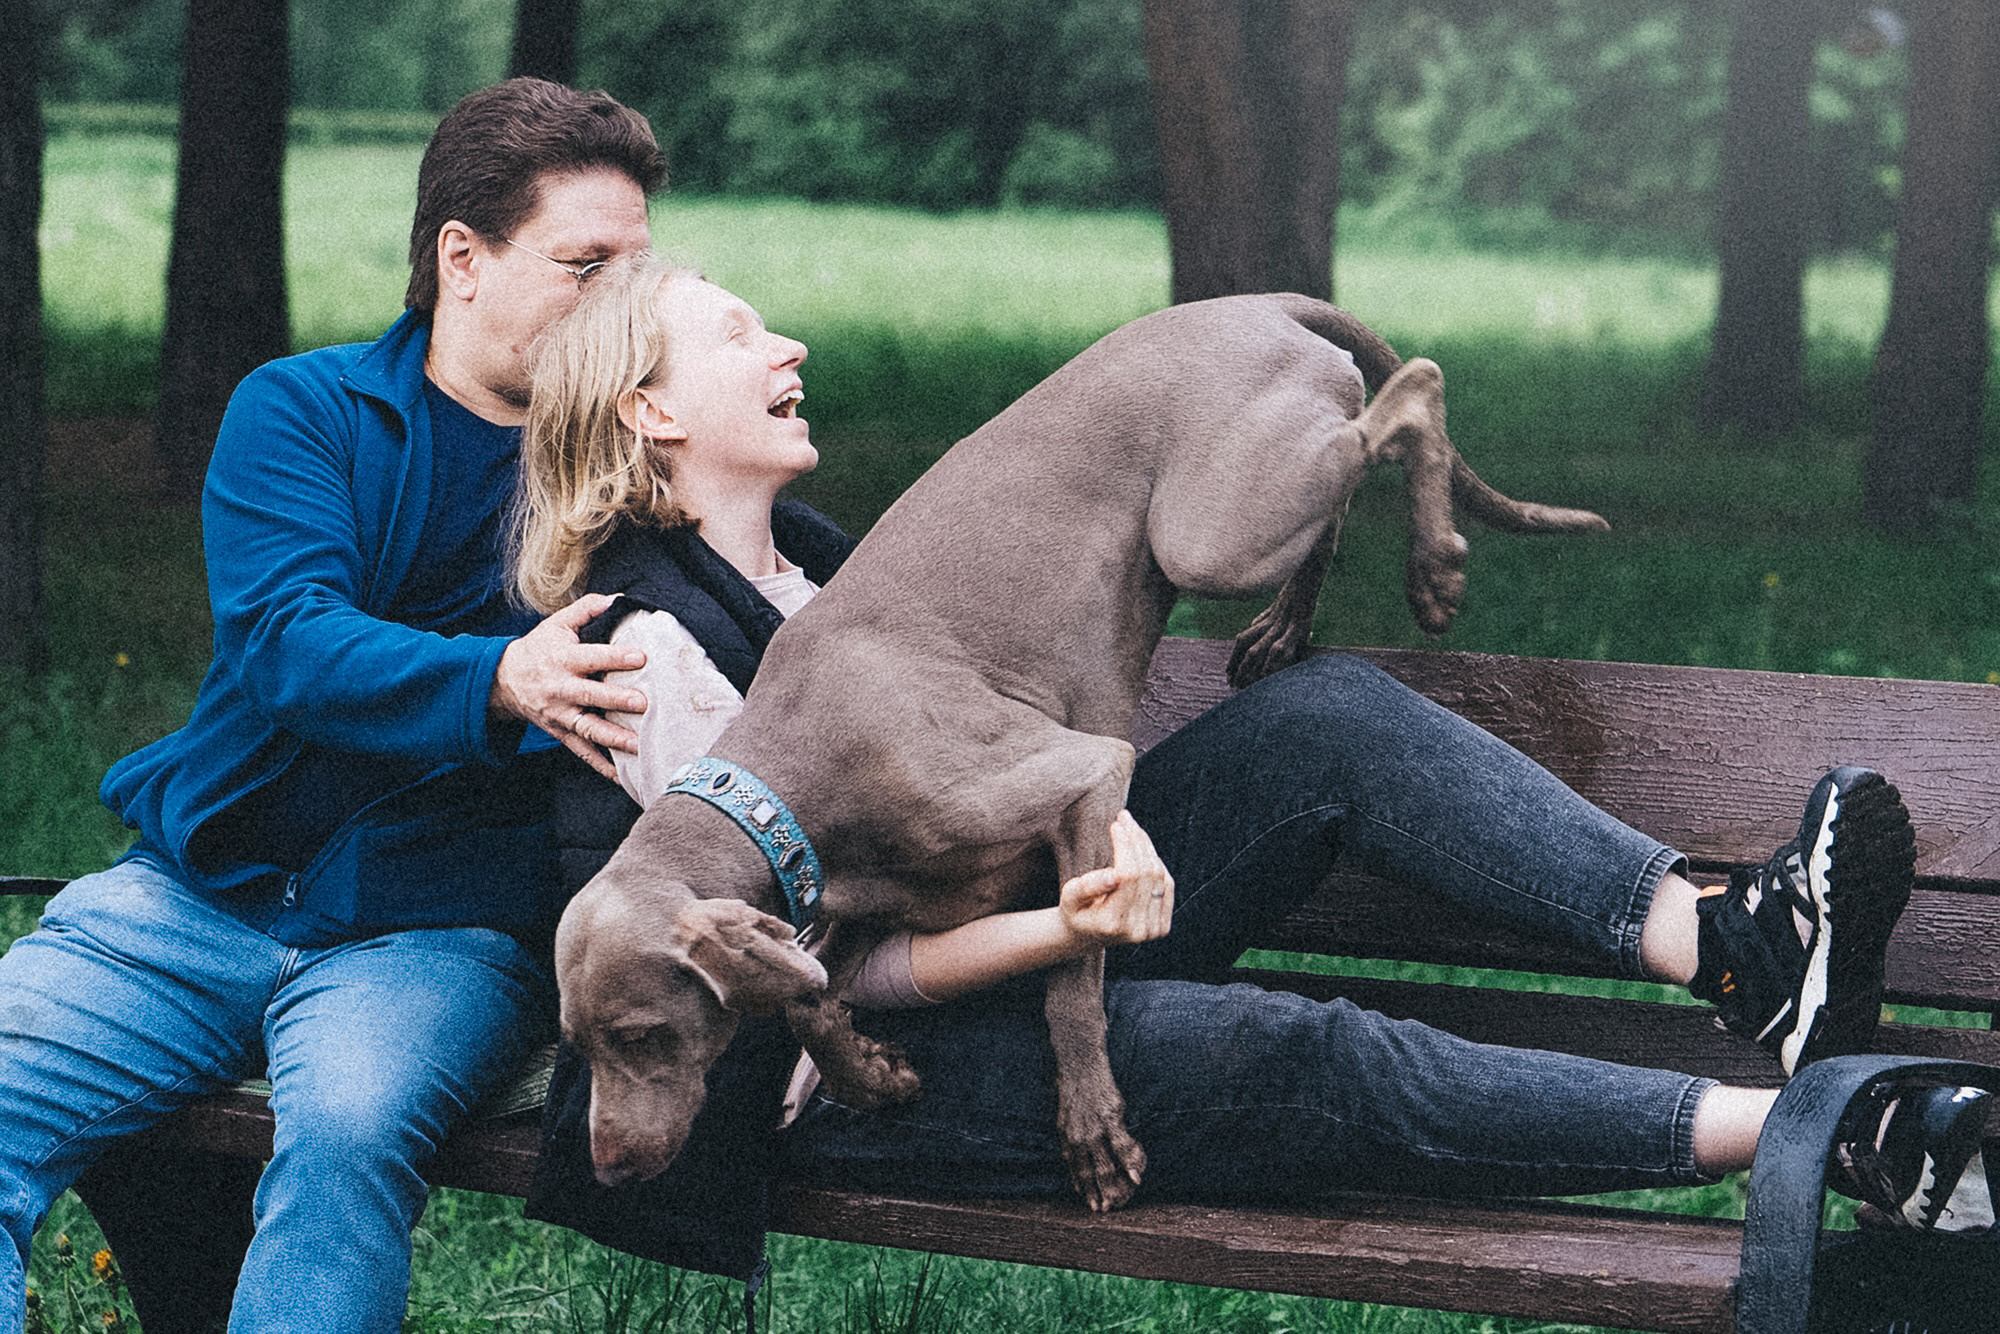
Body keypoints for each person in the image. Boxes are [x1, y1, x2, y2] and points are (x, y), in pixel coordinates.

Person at [511, 254, 1996, 1266]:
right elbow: (860, 965)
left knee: (1320, 723)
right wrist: (1074, 921)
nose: (787, 347)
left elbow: (1016, 746)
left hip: (1047, 900)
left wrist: (1092, 868)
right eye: (734, 337)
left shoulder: (819, 580)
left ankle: (1739, 943)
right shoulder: (633, 653)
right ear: (648, 415)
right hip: (877, 1080)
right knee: (1286, 1046)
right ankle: (1837, 1137)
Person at [0, 79, 669, 1333]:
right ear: (462, 258)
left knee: (346, 1138)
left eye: (640, 270)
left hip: (442, 933)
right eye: (588, 266)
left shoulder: (638, 471)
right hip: (198, 895)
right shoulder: (303, 410)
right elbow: (286, 643)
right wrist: (495, 678)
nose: (626, 305)